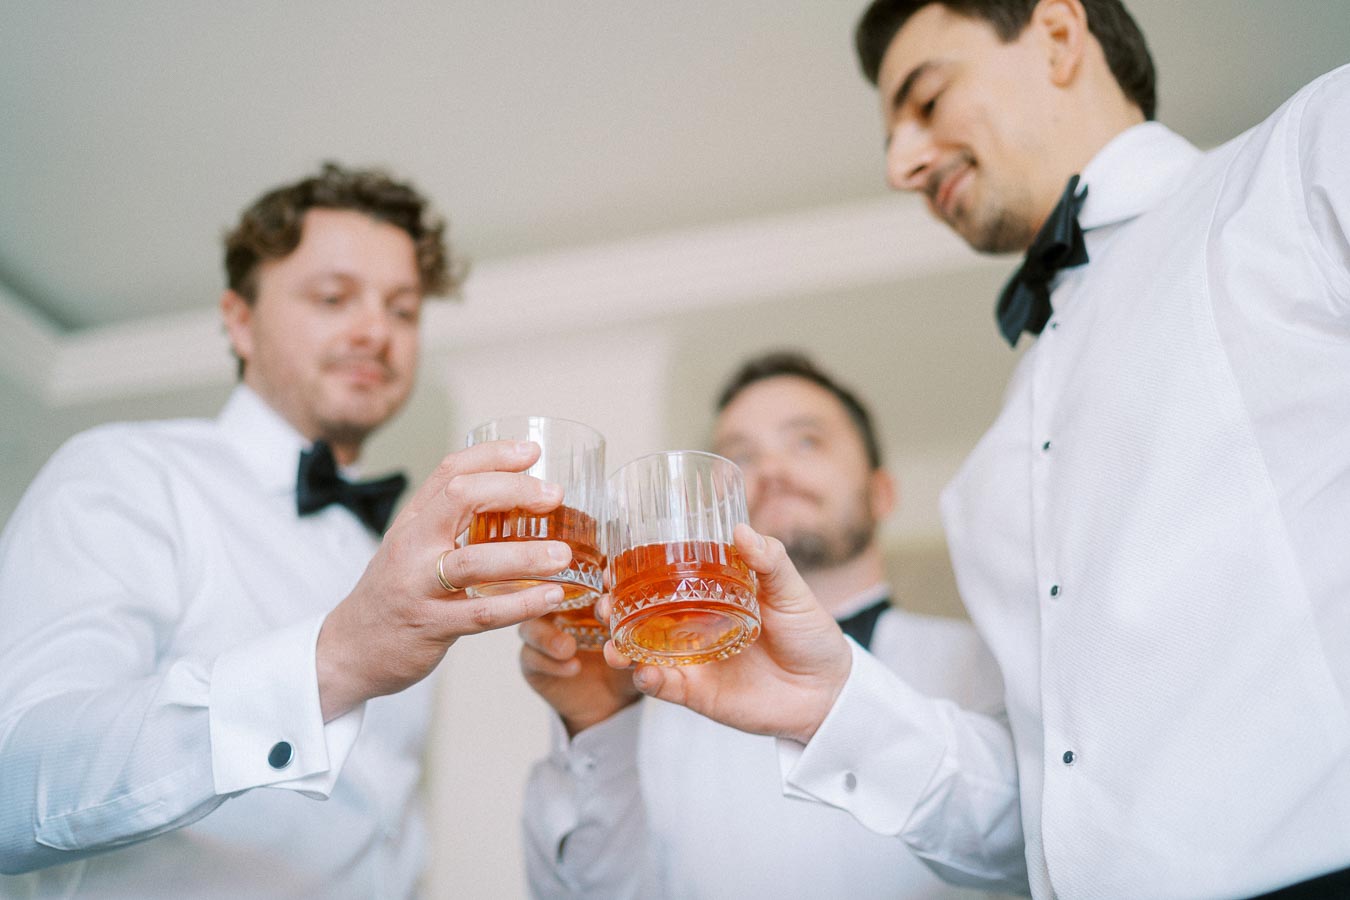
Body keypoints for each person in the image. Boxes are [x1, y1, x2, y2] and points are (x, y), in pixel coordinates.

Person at [593, 2, 1350, 898]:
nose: (900, 165)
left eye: (927, 98)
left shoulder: (1306, 158)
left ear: (1059, 36)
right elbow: (1034, 819)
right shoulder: (990, 476)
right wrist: (831, 706)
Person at [0, 162, 574, 896]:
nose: (376, 331)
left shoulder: (396, 559)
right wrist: (333, 660)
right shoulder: (126, 472)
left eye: (403, 309)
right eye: (334, 297)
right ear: (239, 319)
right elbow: (15, 781)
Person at [519, 350, 1007, 898]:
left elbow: (1038, 852)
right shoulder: (659, 692)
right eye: (741, 457)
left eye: (806, 441)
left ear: (881, 492)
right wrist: (600, 726)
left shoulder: (988, 664)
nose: (771, 472)